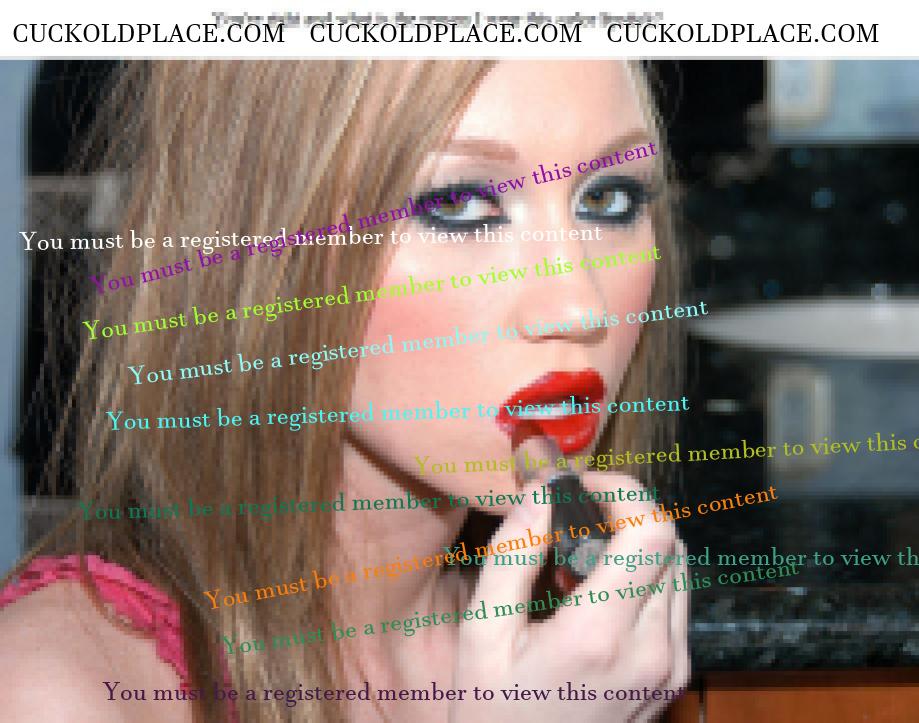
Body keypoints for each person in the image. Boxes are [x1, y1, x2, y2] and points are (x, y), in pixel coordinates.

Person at [0, 59, 688, 722]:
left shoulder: (600, 656)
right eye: (457, 204)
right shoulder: (59, 694)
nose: (578, 307)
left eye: (608, 198)